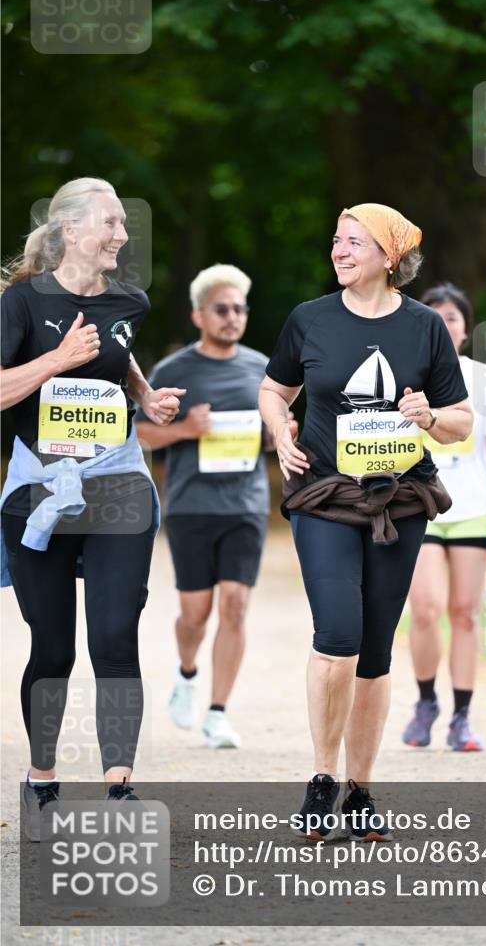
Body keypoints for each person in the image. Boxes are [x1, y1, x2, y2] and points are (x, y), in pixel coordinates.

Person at [259, 203, 473, 841]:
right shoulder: (310, 320)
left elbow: (461, 419)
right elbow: (275, 389)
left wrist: (427, 416)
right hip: (324, 496)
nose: (340, 251)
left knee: (376, 650)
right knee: (338, 635)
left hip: (399, 502)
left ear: (390, 256)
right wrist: (279, 430)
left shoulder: (425, 328)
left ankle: (360, 788)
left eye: (354, 242)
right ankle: (322, 779)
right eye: (336, 240)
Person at [0, 178, 184, 838]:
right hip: (38, 492)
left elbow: (120, 362)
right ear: (72, 230)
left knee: (114, 636)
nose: (121, 235)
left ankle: (119, 788)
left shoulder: (129, 301)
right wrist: (55, 359)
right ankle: (42, 777)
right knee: (52, 648)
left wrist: (148, 399)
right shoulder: (20, 302)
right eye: (110, 223)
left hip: (116, 484)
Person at [135, 265, 289, 749]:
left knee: (236, 606)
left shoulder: (263, 369)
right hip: (190, 506)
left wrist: (275, 437)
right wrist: (183, 429)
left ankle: (218, 713)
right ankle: (186, 673)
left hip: (245, 504)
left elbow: (278, 433)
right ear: (199, 315)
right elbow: (136, 432)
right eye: (221, 309)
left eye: (240, 309)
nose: (232, 317)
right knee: (195, 615)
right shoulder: (172, 371)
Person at [402, 283, 486, 753]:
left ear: (465, 329)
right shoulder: (406, 377)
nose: (443, 324)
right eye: (434, 316)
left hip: (474, 511)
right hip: (421, 508)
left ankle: (462, 716)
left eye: (451, 317)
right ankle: (425, 701)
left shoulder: (484, 379)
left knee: (465, 615)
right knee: (427, 609)